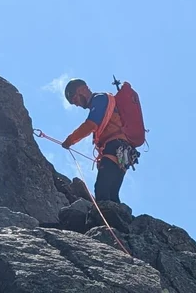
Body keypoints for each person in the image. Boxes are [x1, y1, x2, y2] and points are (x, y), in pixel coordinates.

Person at [60, 78, 140, 211]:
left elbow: (91, 124)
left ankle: (107, 226)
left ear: (82, 90)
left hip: (114, 147)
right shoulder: (103, 102)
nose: (77, 105)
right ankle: (121, 226)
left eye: (75, 100)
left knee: (102, 188)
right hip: (123, 151)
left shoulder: (100, 99)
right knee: (112, 193)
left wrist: (70, 140)